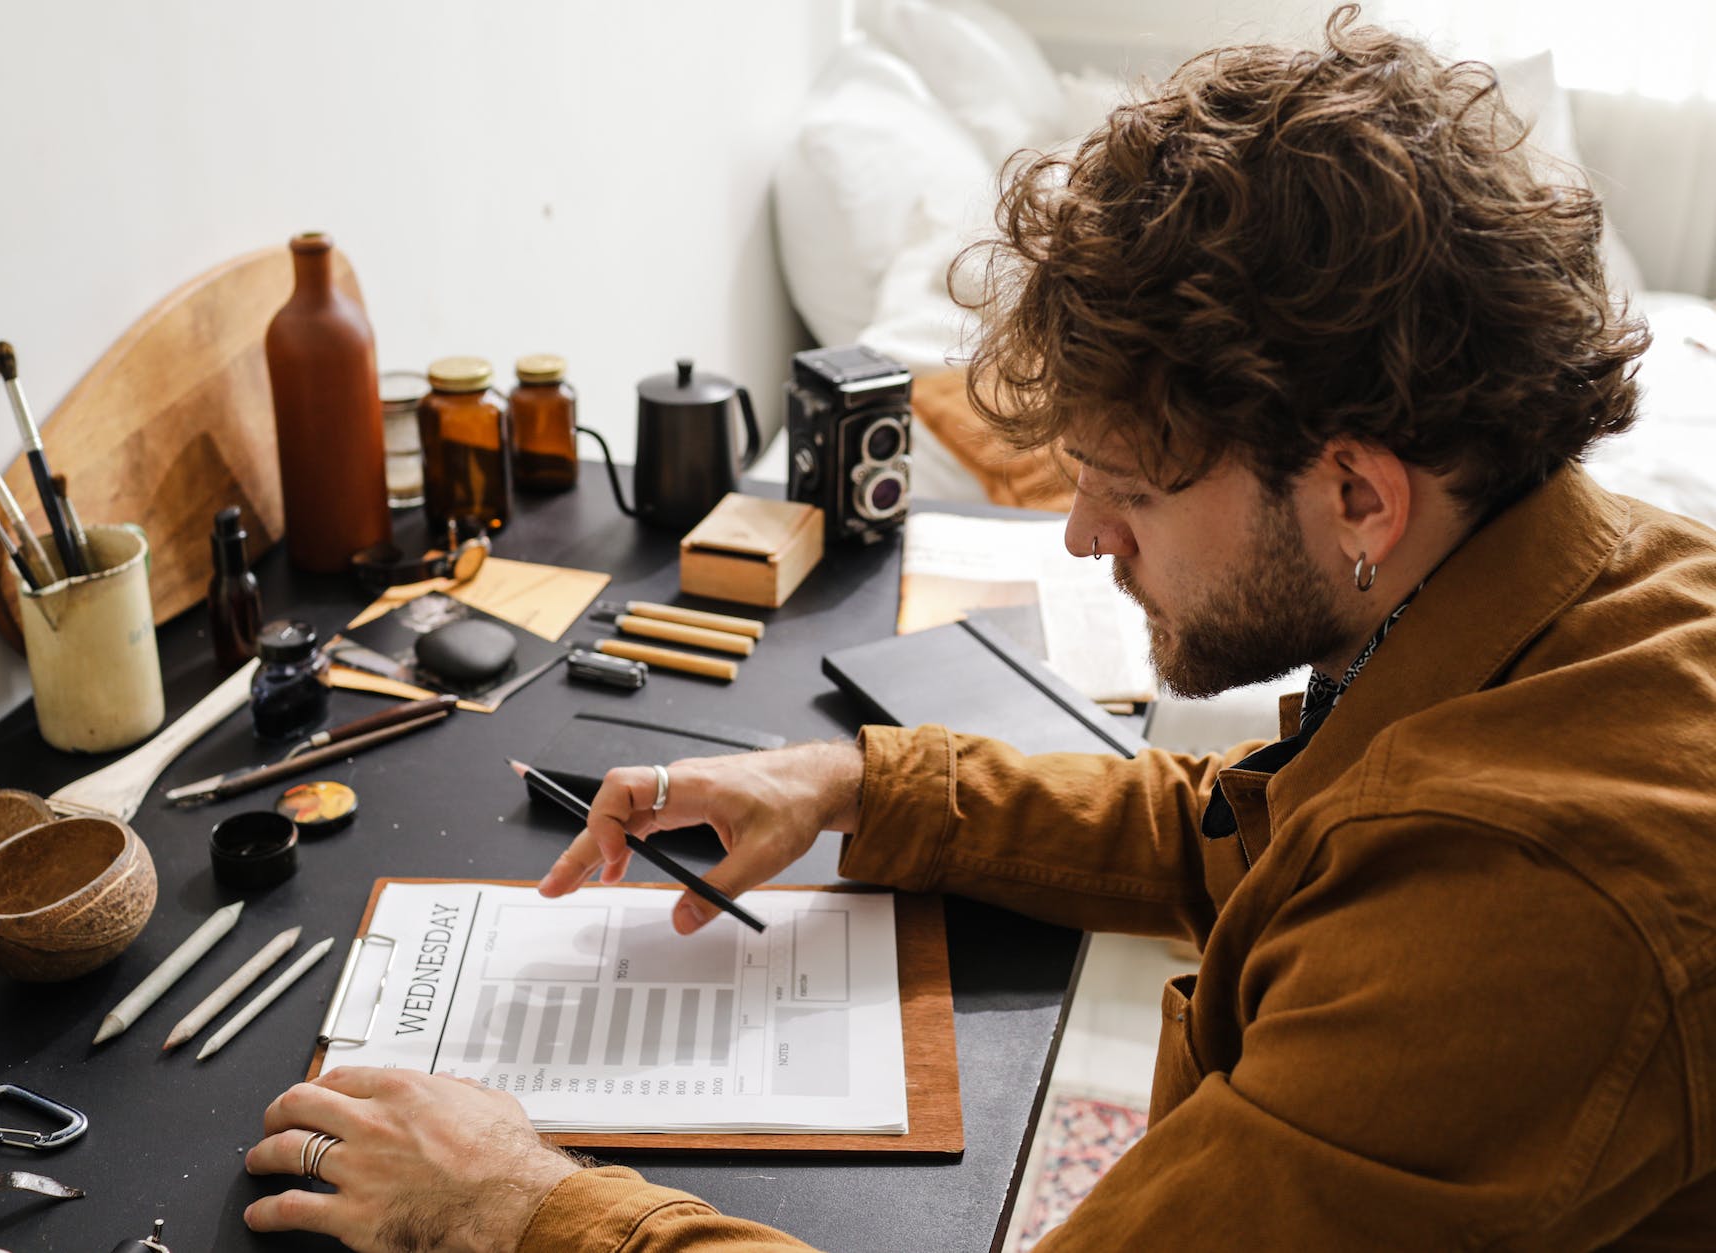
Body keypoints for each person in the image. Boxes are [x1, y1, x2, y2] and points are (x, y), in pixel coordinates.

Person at [242, 7, 1716, 1249]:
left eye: (1128, 487)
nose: (1079, 534)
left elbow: (1401, 879)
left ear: (1355, 494)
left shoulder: (1526, 908)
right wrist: (854, 784)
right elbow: (1267, 833)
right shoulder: (1562, 581)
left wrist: (524, 1204)